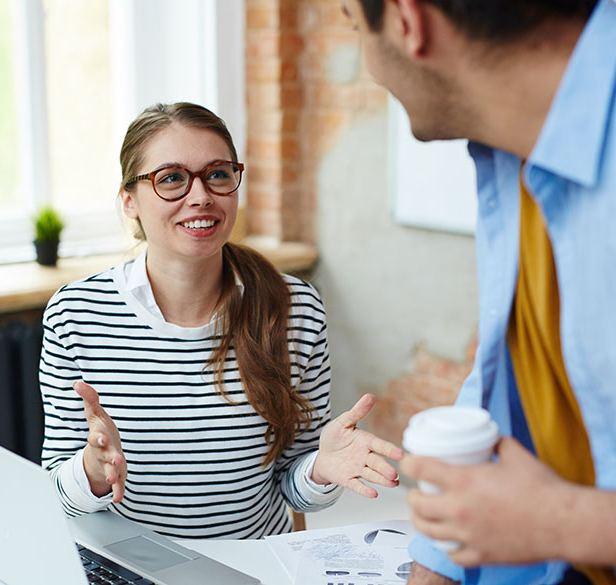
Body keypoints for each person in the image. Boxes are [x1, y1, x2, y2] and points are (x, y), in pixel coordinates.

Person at [342, 0, 616, 583]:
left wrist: (565, 522)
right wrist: (432, 568)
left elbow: (551, 516)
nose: (370, 66)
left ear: (407, 21)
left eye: (354, 23)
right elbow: (509, 389)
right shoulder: (511, 150)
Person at [40, 102, 403, 539]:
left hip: (250, 565)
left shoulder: (296, 309)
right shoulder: (76, 314)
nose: (200, 195)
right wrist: (91, 472)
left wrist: (322, 470)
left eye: (218, 174)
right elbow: (56, 492)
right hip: (129, 568)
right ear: (129, 201)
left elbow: (294, 487)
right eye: (171, 178)